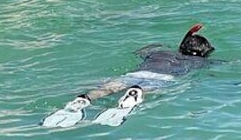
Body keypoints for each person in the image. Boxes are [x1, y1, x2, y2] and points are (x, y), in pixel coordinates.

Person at [42, 23, 214, 128]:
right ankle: (133, 96)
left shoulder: (160, 52)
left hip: (136, 73)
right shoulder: (198, 62)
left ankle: (84, 99)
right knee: (149, 89)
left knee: (107, 88)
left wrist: (162, 45)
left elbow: (140, 51)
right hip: (163, 78)